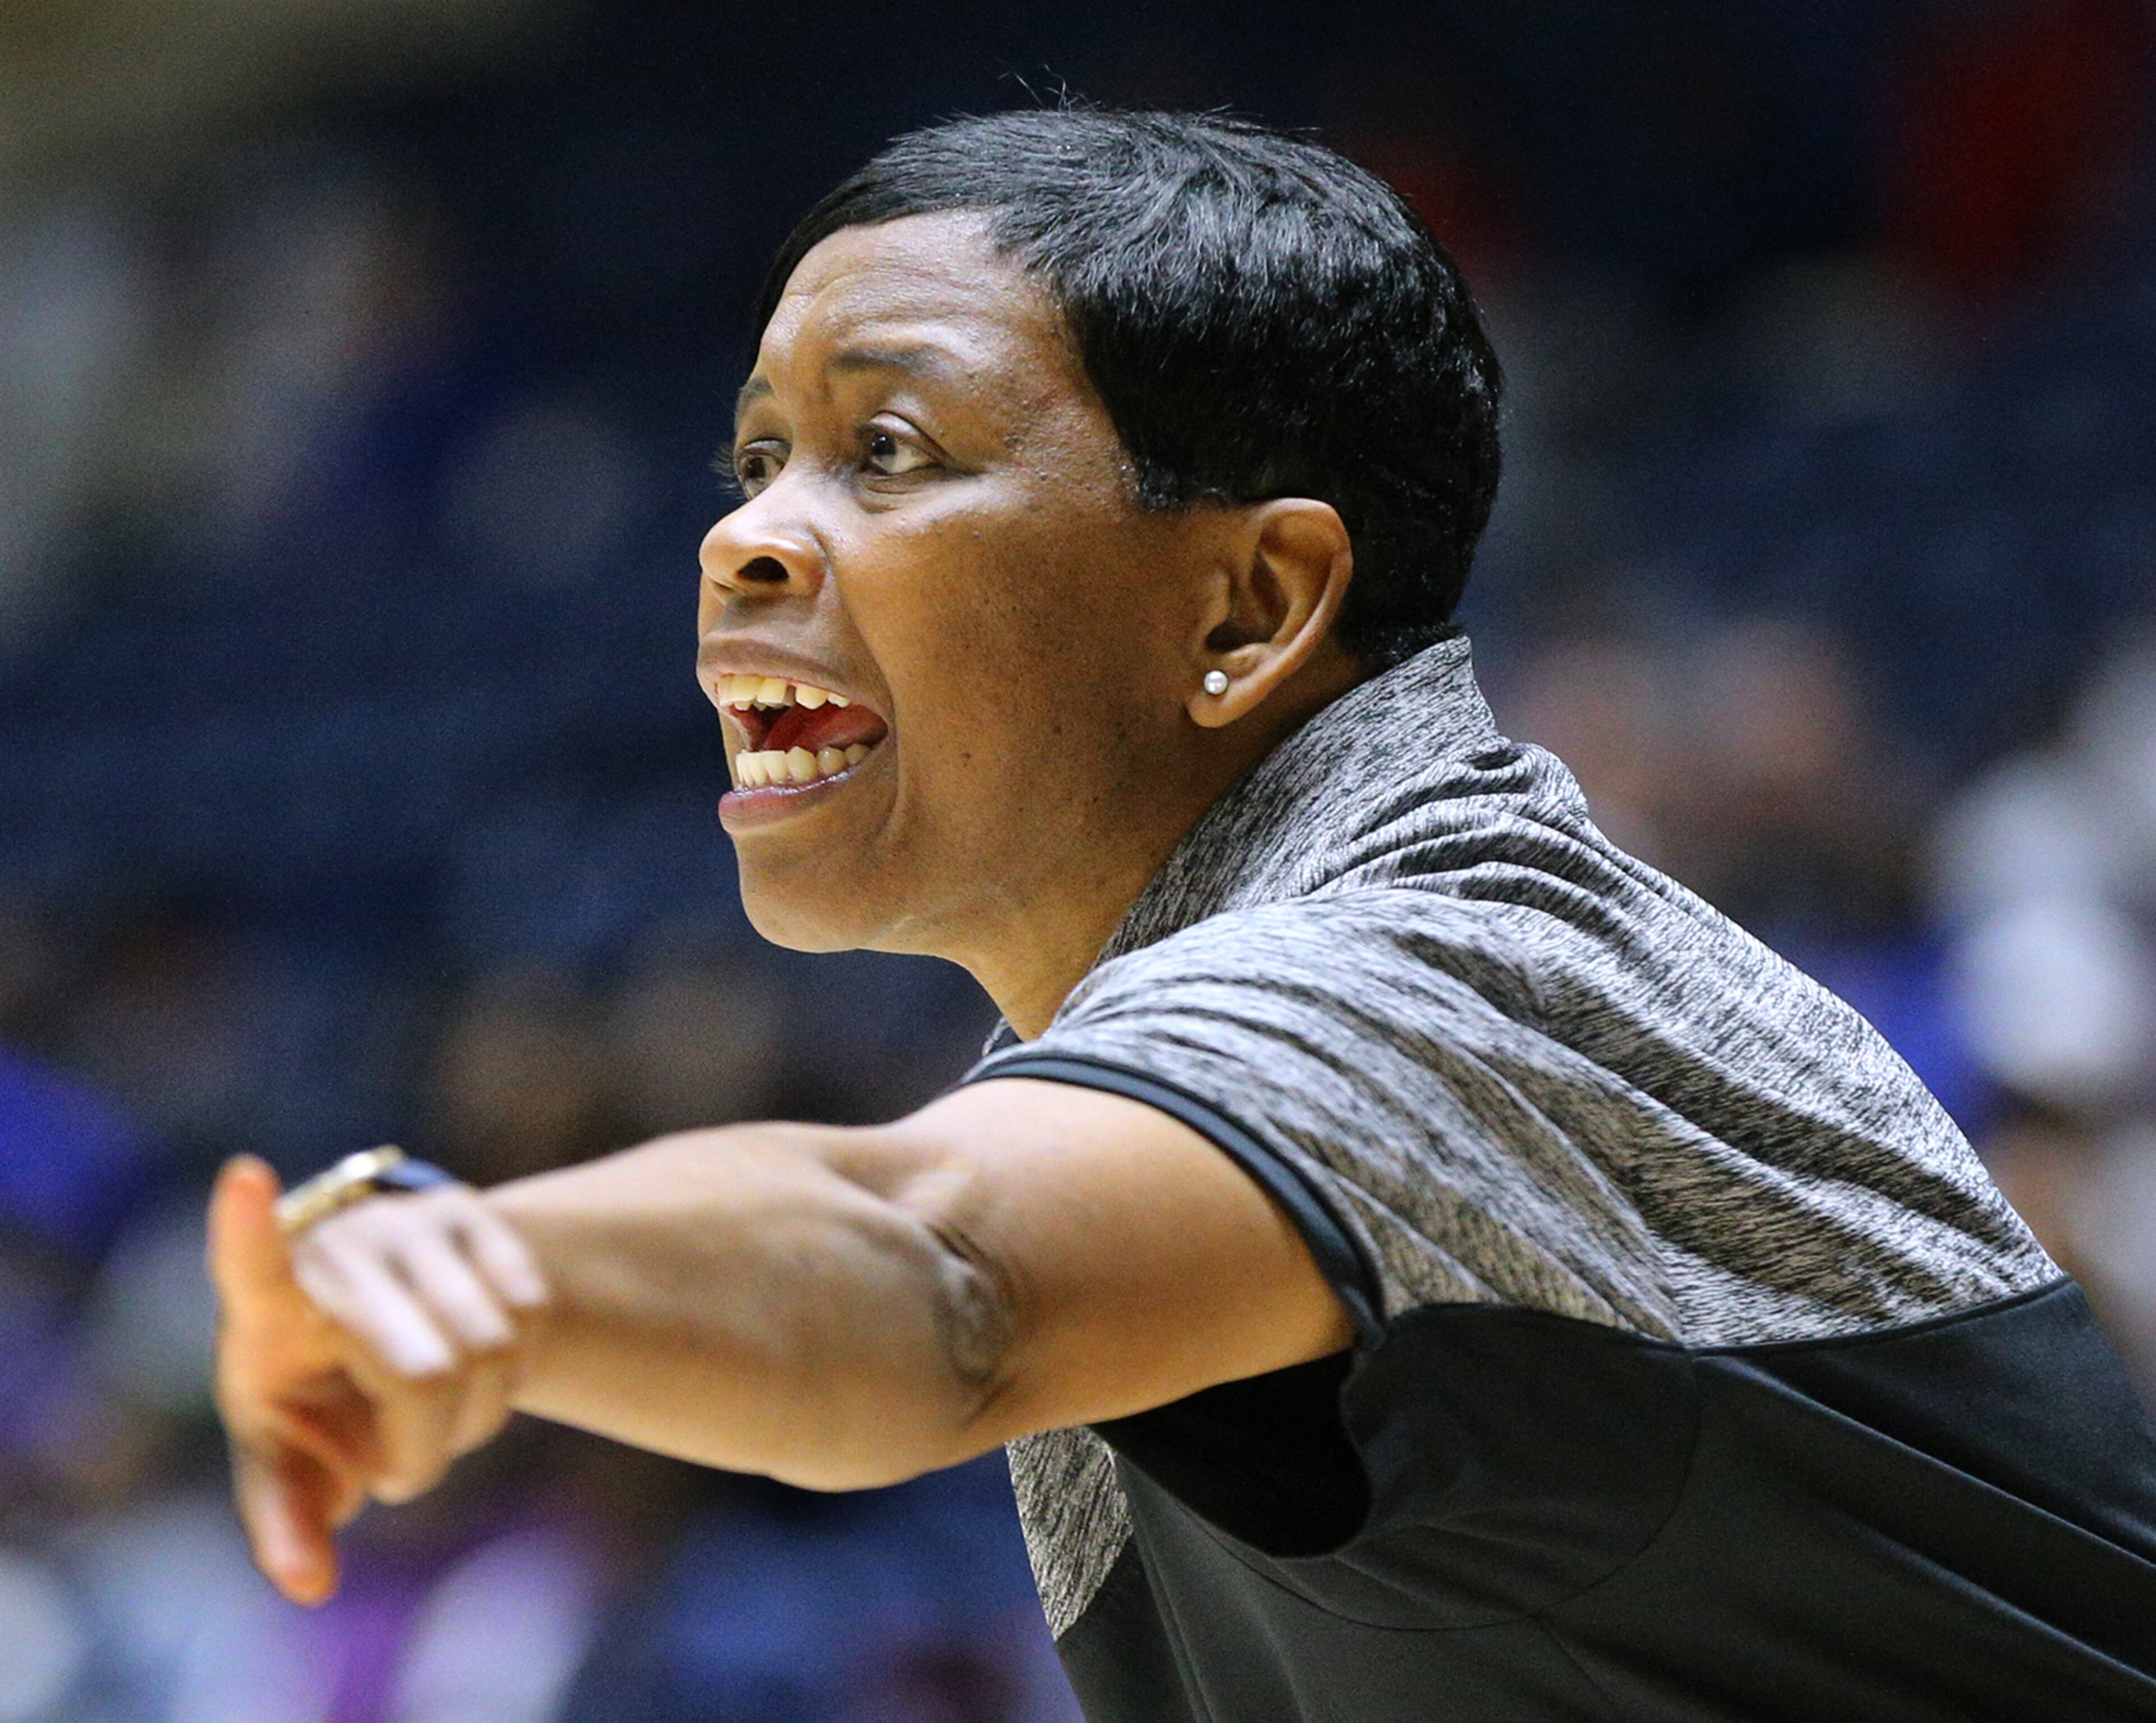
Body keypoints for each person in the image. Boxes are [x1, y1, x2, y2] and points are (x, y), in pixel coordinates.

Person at [211, 110, 2156, 1721]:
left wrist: (488, 1269)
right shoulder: (1148, 1034)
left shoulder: (1452, 962)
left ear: (1250, 606)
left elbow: (934, 1274)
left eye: (887, 449)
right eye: (755, 457)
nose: (744, 532)